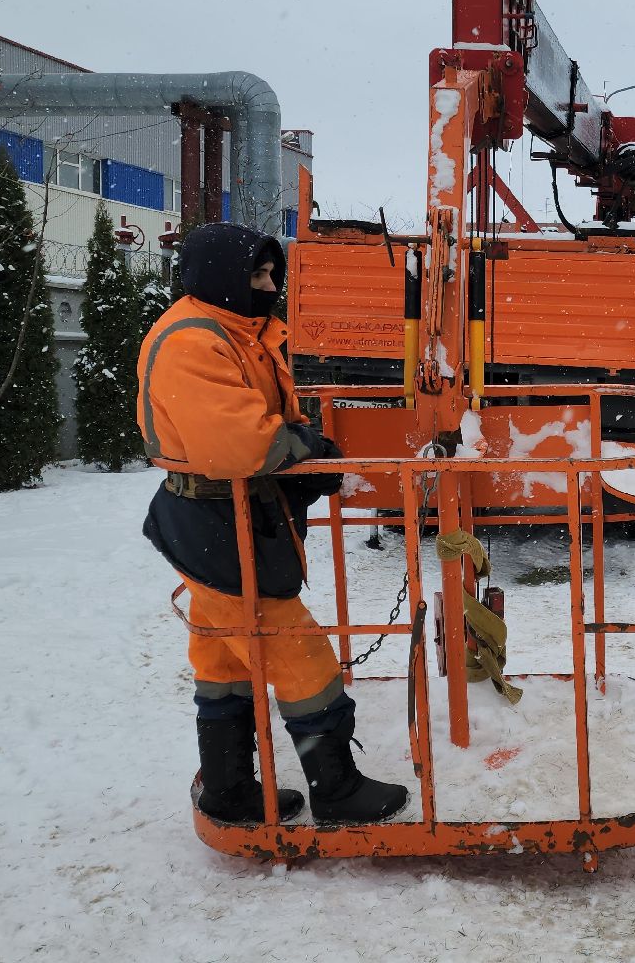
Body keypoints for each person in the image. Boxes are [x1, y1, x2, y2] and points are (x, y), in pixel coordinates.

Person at [136, 222, 408, 826]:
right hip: (215, 518)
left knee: (225, 660)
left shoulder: (238, 332)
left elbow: (258, 426)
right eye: (256, 276)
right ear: (220, 278)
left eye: (270, 275)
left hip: (222, 513)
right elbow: (238, 443)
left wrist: (294, 459)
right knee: (298, 656)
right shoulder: (193, 342)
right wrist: (300, 448)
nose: (268, 287)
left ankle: (229, 788)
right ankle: (337, 790)